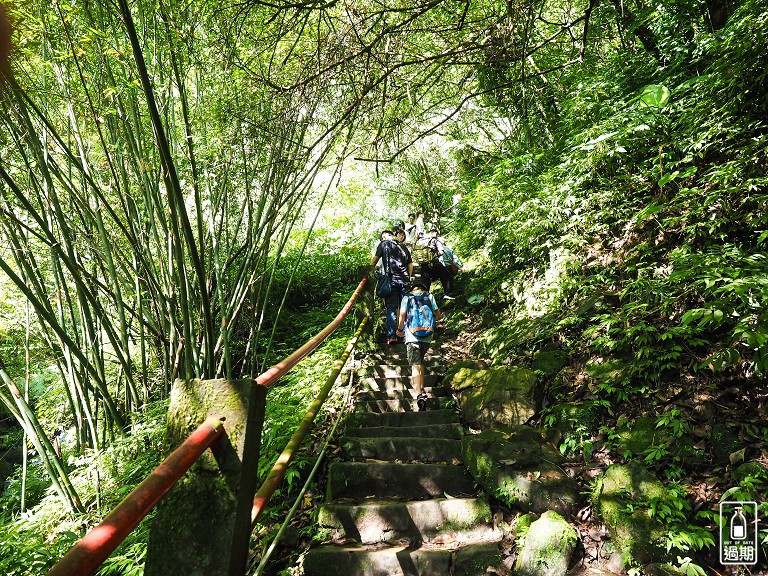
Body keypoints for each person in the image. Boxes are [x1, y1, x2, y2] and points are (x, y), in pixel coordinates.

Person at [396, 283, 442, 411]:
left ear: (412, 290)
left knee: (415, 364)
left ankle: (418, 395)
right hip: (427, 336)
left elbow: (402, 314)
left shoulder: (407, 298)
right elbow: (438, 315)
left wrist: (399, 329)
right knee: (420, 362)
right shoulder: (430, 297)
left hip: (412, 336)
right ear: (424, 289)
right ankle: (421, 389)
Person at [371, 230, 413, 344]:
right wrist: (408, 277)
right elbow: (410, 263)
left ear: (385, 237)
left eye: (383, 237)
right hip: (404, 281)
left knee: (391, 308)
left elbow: (374, 261)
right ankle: (405, 334)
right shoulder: (403, 247)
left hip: (392, 280)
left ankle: (391, 336)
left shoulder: (383, 244)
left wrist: (368, 272)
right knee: (405, 307)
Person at [425, 228, 456, 299]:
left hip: (425, 264)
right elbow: (441, 251)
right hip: (435, 263)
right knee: (448, 276)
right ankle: (448, 293)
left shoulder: (426, 241)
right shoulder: (436, 240)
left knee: (428, 279)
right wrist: (436, 255)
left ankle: (425, 296)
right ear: (436, 233)